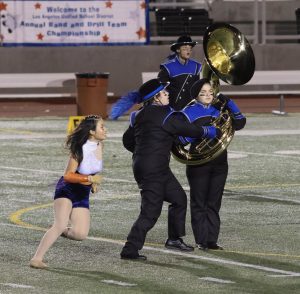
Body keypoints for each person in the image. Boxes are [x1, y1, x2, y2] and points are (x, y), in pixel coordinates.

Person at [120, 78, 220, 260]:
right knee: (150, 213)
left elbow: (127, 141)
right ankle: (130, 249)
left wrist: (145, 150)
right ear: (156, 98)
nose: (167, 94)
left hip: (149, 166)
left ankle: (174, 239)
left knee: (179, 199)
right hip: (153, 169)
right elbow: (188, 129)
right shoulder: (166, 115)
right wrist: (208, 131)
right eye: (164, 93)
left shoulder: (138, 115)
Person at [30, 115, 106, 269]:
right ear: (92, 131)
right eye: (102, 127)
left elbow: (90, 170)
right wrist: (89, 179)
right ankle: (37, 258)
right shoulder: (79, 149)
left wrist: (91, 184)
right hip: (67, 189)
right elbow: (68, 175)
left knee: (80, 234)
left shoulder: (99, 146)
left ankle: (59, 229)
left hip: (82, 193)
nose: (105, 130)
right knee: (60, 223)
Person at [180, 78, 246, 251]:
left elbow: (240, 123)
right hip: (199, 162)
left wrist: (230, 103)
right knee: (199, 202)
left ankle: (212, 240)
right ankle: (201, 240)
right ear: (196, 96)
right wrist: (200, 133)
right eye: (203, 93)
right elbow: (179, 138)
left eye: (210, 92)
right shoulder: (188, 112)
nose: (208, 95)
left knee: (214, 202)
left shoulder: (220, 108)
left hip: (219, 161)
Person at [158, 35, 201, 111]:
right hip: (172, 108)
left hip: (191, 108)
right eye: (185, 48)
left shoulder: (197, 66)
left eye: (190, 49)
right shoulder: (168, 67)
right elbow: (160, 89)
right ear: (178, 50)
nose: (188, 51)